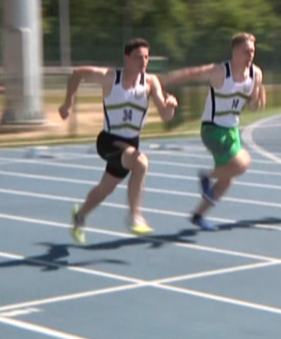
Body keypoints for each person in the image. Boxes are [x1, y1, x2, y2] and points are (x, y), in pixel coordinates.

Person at [58, 38, 178, 244]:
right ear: (127, 58)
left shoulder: (150, 82)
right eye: (139, 57)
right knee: (141, 162)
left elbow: (165, 115)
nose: (144, 62)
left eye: (147, 57)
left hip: (131, 143)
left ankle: (80, 215)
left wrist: (171, 106)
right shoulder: (110, 77)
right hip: (109, 141)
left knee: (105, 189)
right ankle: (134, 216)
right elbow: (77, 73)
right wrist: (68, 102)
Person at [161, 32, 265, 230]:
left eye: (252, 51)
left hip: (232, 130)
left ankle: (198, 215)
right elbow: (191, 74)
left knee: (227, 180)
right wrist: (163, 82)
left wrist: (259, 98)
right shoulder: (220, 72)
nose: (250, 55)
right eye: (246, 51)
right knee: (242, 163)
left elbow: (253, 105)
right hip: (212, 129)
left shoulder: (256, 74)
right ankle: (207, 176)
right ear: (235, 51)